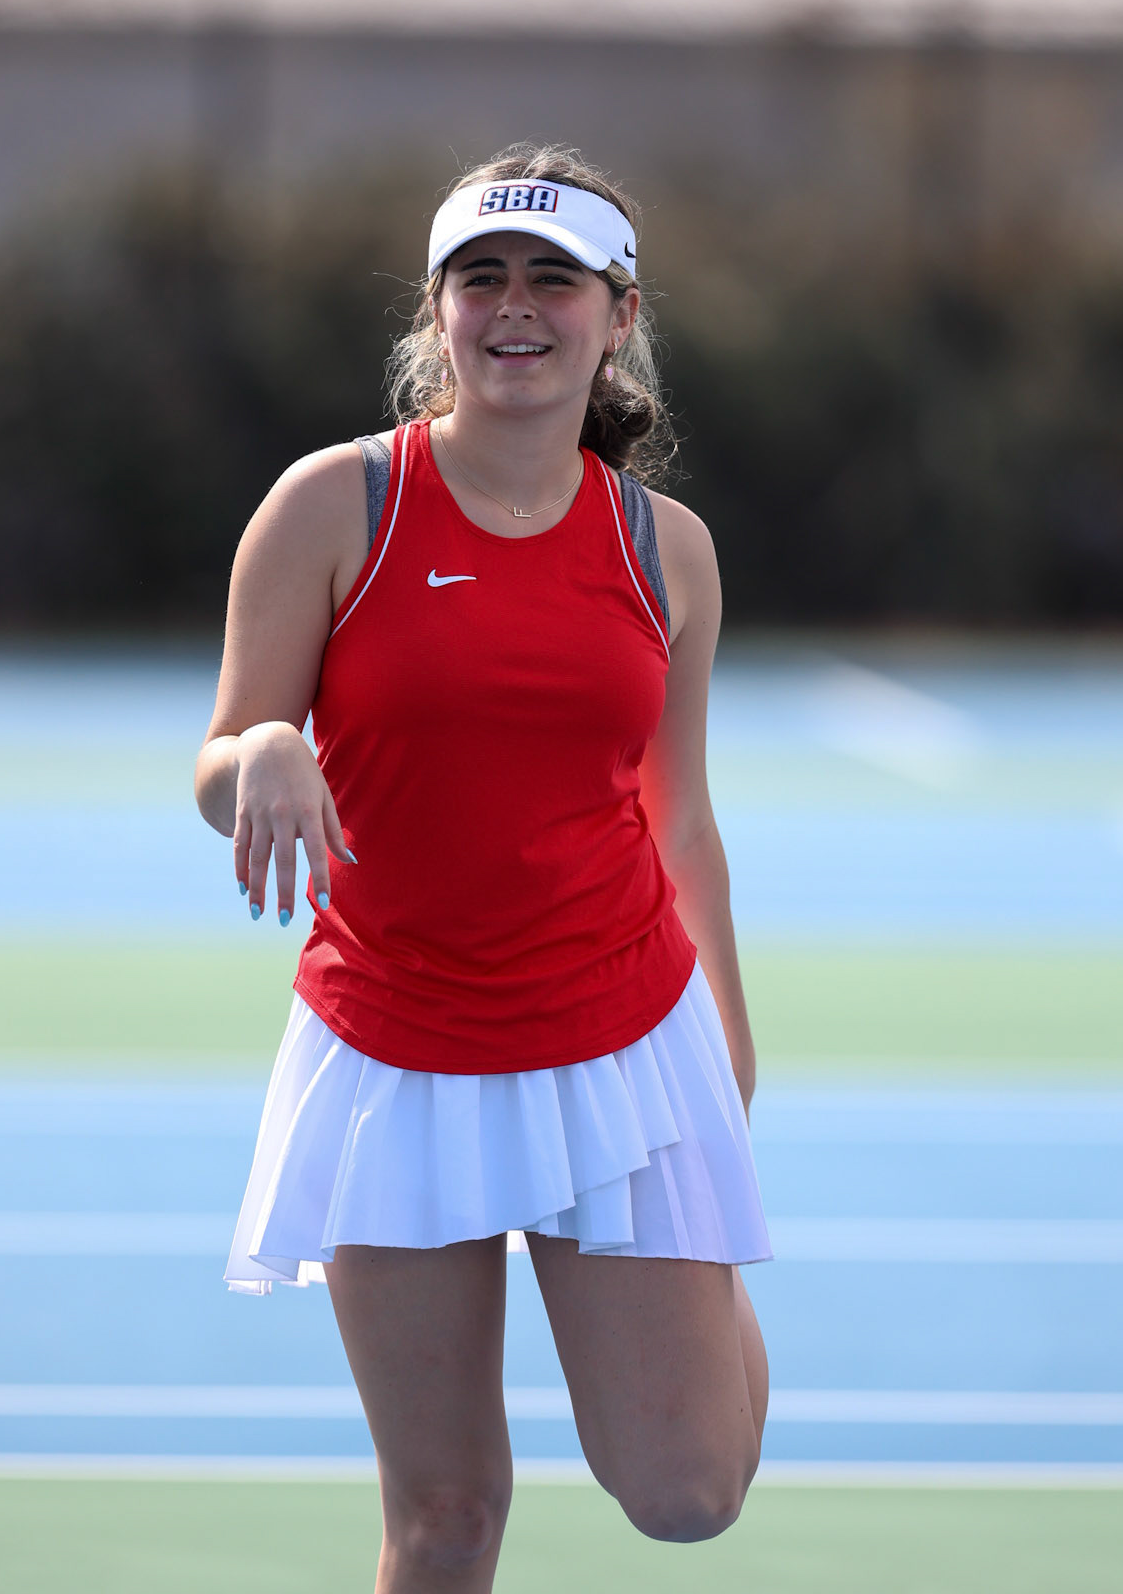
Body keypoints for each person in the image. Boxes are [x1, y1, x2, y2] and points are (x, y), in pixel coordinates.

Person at [195, 144, 771, 1591]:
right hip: (394, 1053)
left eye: (552, 281)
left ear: (616, 315)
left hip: (622, 1039)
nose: (516, 308)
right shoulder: (335, 505)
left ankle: (707, 1311)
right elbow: (223, 763)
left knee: (688, 1494)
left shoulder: (665, 549)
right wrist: (261, 748)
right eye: (482, 280)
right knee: (445, 1516)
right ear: (438, 313)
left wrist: (726, 1053)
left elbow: (678, 814)